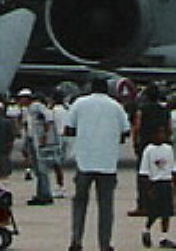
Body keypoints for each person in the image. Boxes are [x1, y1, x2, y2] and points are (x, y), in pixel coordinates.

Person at [66, 78, 132, 251]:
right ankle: (104, 244)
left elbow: (68, 128)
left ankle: (76, 241)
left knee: (80, 203)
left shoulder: (80, 103)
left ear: (90, 88)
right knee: (106, 206)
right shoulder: (116, 106)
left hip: (84, 161)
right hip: (107, 162)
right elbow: (126, 130)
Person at [133, 84, 169, 217]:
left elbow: (137, 127)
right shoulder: (164, 110)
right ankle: (164, 204)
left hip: (146, 145)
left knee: (144, 176)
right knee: (163, 174)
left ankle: (143, 205)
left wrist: (135, 143)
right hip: (162, 144)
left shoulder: (142, 110)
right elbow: (168, 127)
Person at [140, 124, 175, 248]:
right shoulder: (149, 150)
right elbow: (144, 172)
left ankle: (163, 237)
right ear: (153, 136)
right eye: (158, 133)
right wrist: (148, 189)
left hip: (166, 183)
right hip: (155, 184)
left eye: (163, 133)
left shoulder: (168, 149)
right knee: (154, 212)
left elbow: (172, 168)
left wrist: (173, 185)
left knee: (167, 213)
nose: (161, 136)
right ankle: (146, 230)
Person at [24, 91, 58, 206]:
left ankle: (45, 194)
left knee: (41, 169)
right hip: (33, 140)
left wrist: (45, 135)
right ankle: (41, 193)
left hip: (39, 141)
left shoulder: (37, 106)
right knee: (38, 170)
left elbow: (49, 118)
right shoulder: (28, 109)